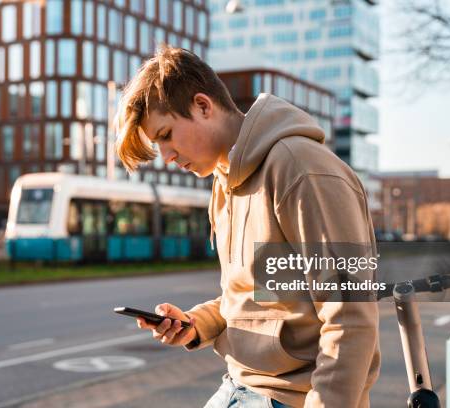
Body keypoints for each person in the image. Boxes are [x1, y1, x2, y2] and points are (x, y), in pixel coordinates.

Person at [115, 45, 380, 408]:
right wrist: (196, 323)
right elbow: (256, 294)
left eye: (166, 135)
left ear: (203, 106)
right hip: (240, 385)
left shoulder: (300, 168)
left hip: (291, 398)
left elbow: (351, 314)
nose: (168, 156)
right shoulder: (225, 182)